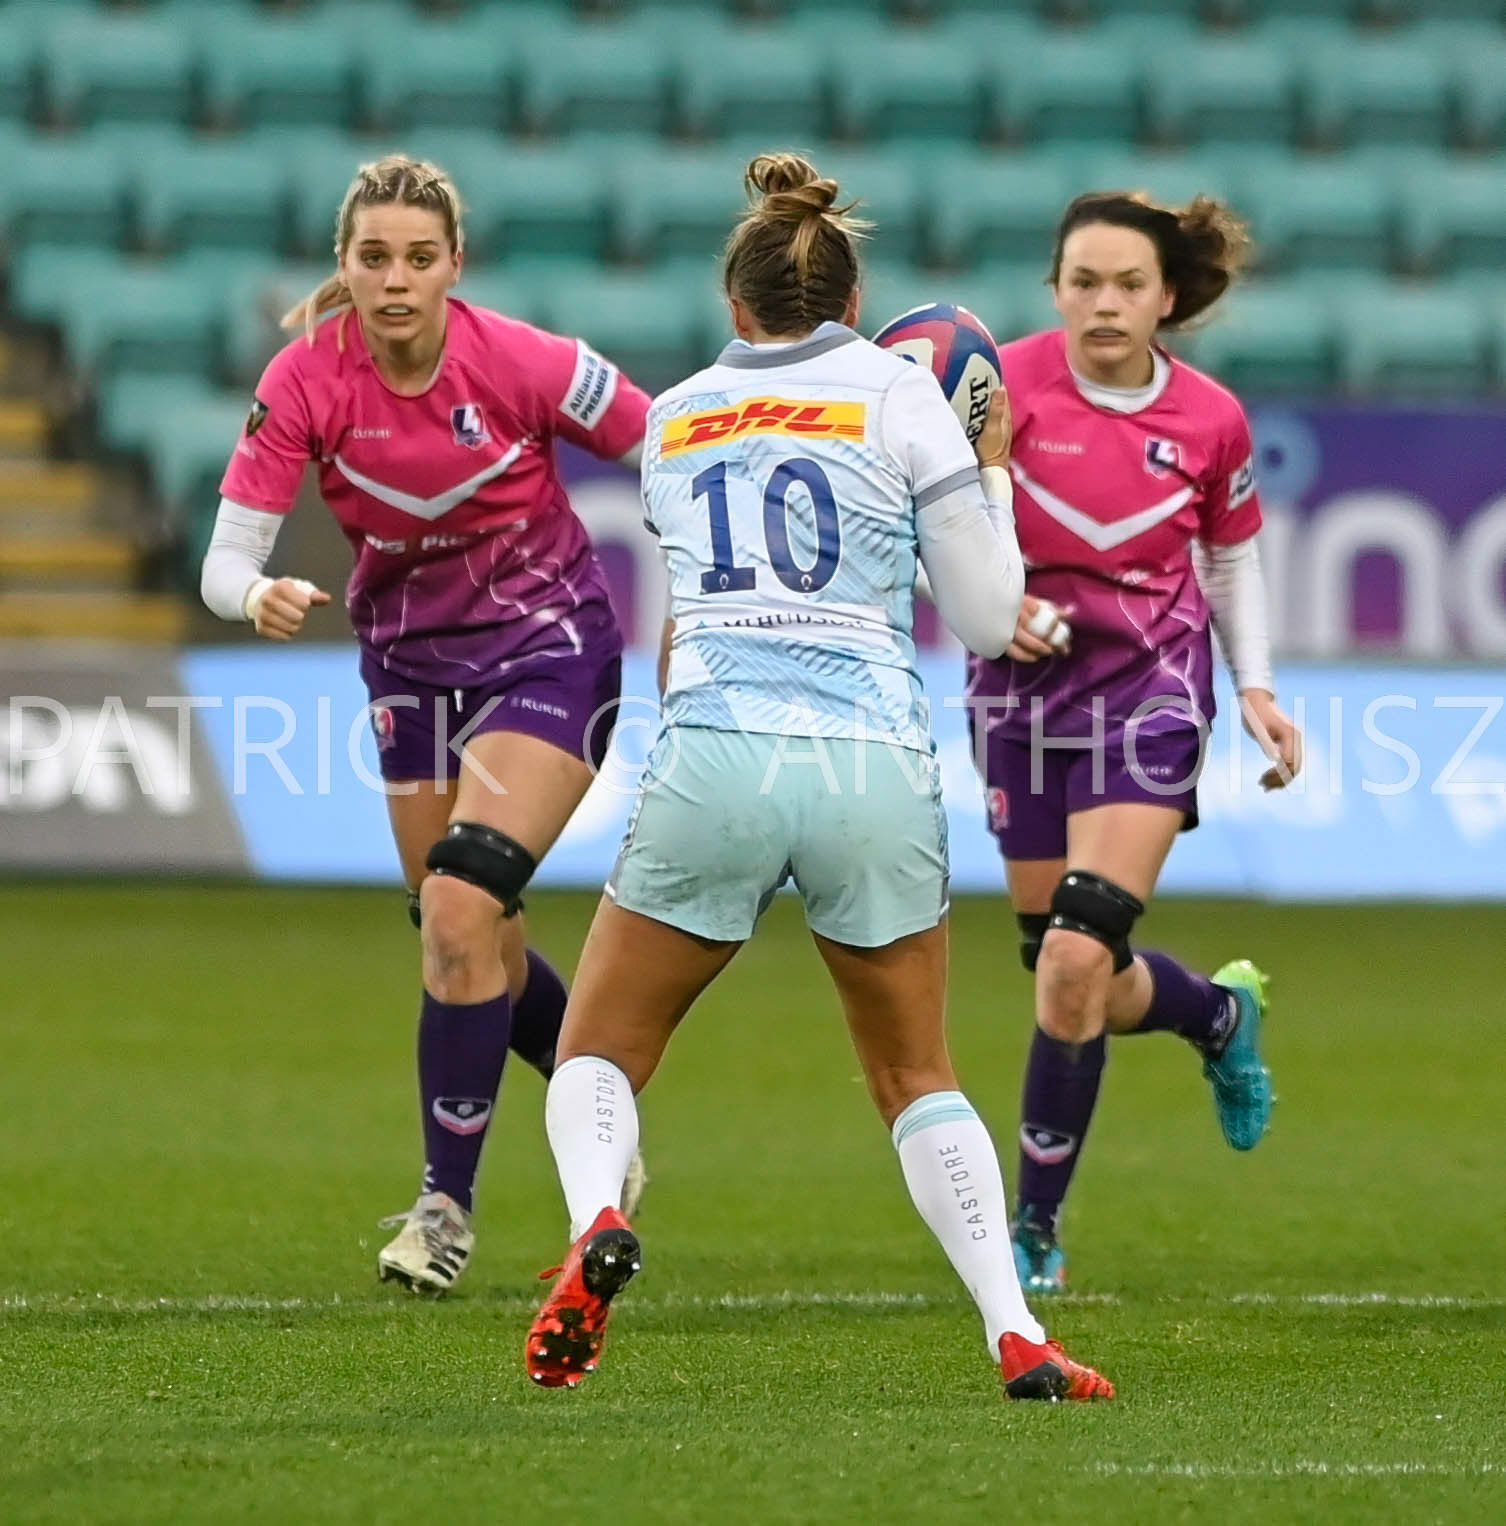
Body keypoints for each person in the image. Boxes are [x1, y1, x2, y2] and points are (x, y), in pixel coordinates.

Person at [523, 153, 1114, 1403]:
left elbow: (686, 611)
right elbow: (995, 611)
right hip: (869, 759)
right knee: (916, 1074)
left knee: (602, 1051)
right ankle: (1015, 1330)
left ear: (736, 306)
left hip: (718, 747)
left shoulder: (676, 415)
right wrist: (988, 456)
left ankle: (592, 1223)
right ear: (853, 301)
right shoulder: (903, 397)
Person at [200, 154, 650, 1295]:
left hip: (552, 651)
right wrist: (253, 593)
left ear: (456, 263)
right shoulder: (305, 376)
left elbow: (671, 446)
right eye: (372, 258)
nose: (394, 279)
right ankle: (600, 1112)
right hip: (409, 674)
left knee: (459, 896)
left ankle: (444, 1207)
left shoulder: (526, 360)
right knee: (467, 938)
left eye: (417, 258)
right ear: (344, 265)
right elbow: (226, 558)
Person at [962, 191, 1304, 1294]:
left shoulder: (1210, 421)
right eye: (1084, 281)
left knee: (1072, 957)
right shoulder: (994, 390)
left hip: (1151, 697)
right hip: (1016, 701)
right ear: (1054, 286)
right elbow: (937, 528)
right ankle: (1217, 1010)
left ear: (1169, 297)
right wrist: (984, 606)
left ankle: (1032, 1234)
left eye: (1128, 285)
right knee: (1074, 979)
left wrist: (1253, 687)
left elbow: (1232, 556)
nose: (1104, 304)